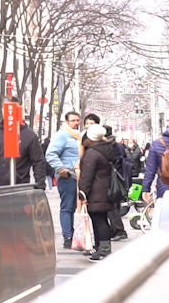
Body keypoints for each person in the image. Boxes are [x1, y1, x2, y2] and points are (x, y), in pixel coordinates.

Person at [0, 97, 46, 189]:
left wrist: (40, 186)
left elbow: (38, 162)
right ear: (2, 110)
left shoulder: (29, 135)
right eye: (6, 108)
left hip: (20, 186)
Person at [78, 124, 116, 261]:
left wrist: (82, 192)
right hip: (105, 189)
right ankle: (99, 247)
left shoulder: (92, 153)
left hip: (96, 191)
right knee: (100, 219)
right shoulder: (107, 148)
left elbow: (87, 176)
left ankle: (104, 249)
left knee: (99, 220)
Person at [46, 111, 82, 249]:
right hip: (68, 177)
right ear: (66, 122)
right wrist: (61, 169)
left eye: (78, 120)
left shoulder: (77, 136)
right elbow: (50, 154)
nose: (76, 123)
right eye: (73, 120)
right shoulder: (62, 135)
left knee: (74, 207)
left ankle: (73, 235)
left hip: (78, 176)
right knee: (67, 207)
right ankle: (68, 236)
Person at [103, 125, 129, 242]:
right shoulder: (118, 145)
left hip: (111, 178)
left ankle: (119, 231)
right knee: (115, 205)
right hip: (119, 178)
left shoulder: (107, 146)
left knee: (111, 206)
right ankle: (115, 230)